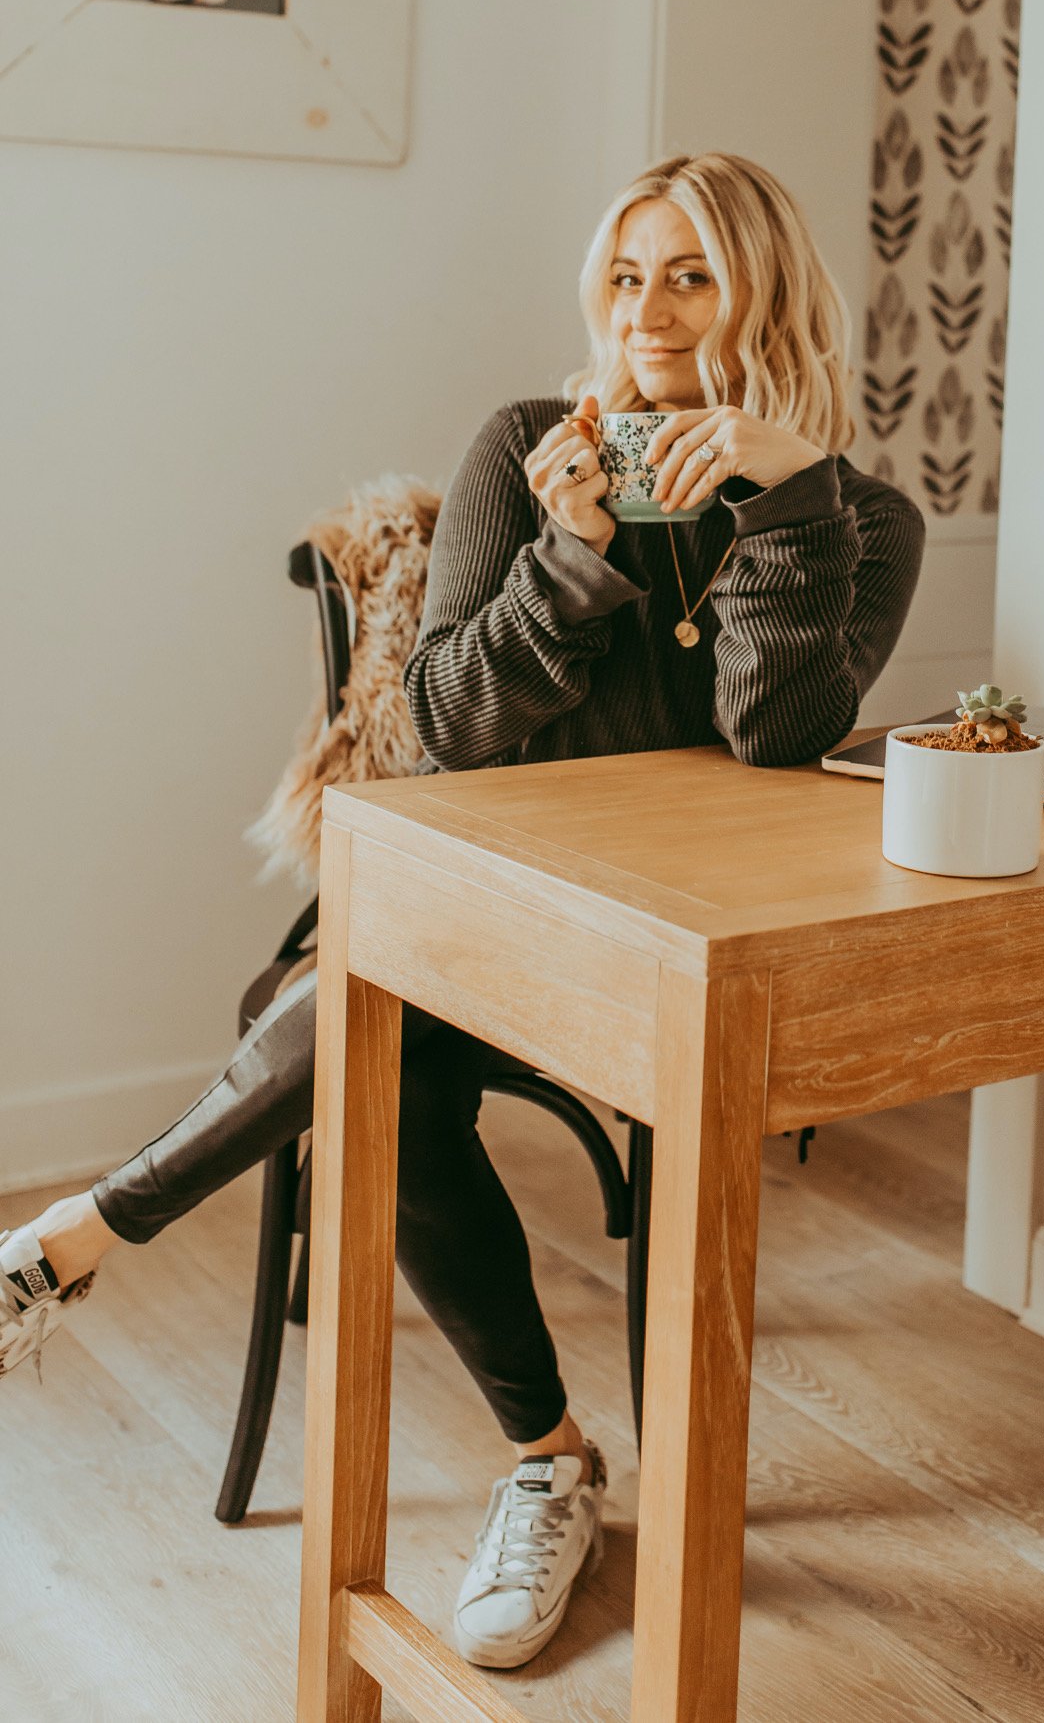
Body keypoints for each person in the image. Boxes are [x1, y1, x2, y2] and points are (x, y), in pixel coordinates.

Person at [0, 153, 924, 1673]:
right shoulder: (522, 446)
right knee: (385, 1038)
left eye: (690, 275)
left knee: (361, 1023)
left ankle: (74, 1235)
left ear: (764, 290)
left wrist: (782, 501)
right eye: (626, 276)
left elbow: (773, 737)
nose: (650, 313)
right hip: (470, 921)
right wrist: (575, 556)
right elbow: (437, 731)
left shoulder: (855, 517)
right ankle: (549, 1459)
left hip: (667, 947)